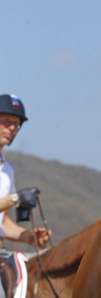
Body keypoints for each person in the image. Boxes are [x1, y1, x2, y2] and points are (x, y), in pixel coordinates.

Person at [0, 94, 52, 249]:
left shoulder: (8, 170)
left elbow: (4, 222)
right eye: (6, 121)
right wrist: (16, 198)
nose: (11, 127)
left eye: (16, 124)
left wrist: (29, 236)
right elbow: (11, 200)